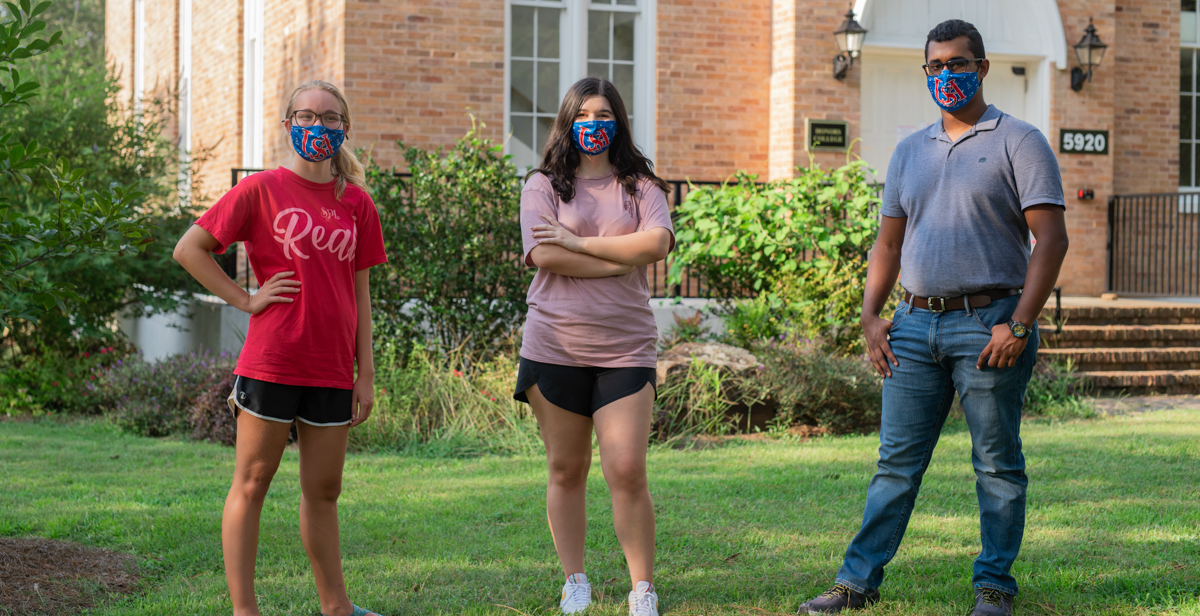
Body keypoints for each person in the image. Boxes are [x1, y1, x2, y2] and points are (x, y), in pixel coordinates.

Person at [796, 20, 1069, 616]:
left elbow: (1050, 241)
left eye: (958, 63)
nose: (947, 74)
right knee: (894, 465)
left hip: (990, 323)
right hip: (914, 327)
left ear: (982, 67)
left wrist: (1019, 324)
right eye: (936, 66)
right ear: (926, 72)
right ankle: (856, 584)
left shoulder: (1019, 141)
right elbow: (887, 245)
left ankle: (994, 586)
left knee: (996, 464)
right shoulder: (909, 151)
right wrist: (870, 316)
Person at [173, 80, 387, 616]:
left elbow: (360, 293)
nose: (319, 126)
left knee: (325, 491)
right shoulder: (260, 190)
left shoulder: (358, 204)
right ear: (288, 122)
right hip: (274, 361)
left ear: (345, 128)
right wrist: (244, 299)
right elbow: (190, 249)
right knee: (252, 481)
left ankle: (336, 607)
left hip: (333, 367)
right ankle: (246, 612)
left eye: (330, 117)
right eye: (307, 115)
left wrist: (366, 373)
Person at [513, 76, 674, 616]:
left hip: (626, 347)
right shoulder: (542, 185)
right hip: (555, 343)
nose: (595, 124)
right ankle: (575, 580)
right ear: (567, 121)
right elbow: (546, 256)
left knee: (626, 469)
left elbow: (655, 242)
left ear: (619, 122)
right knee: (566, 468)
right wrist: (621, 259)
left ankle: (641, 589)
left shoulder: (641, 187)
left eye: (605, 115)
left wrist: (580, 241)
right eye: (584, 114)